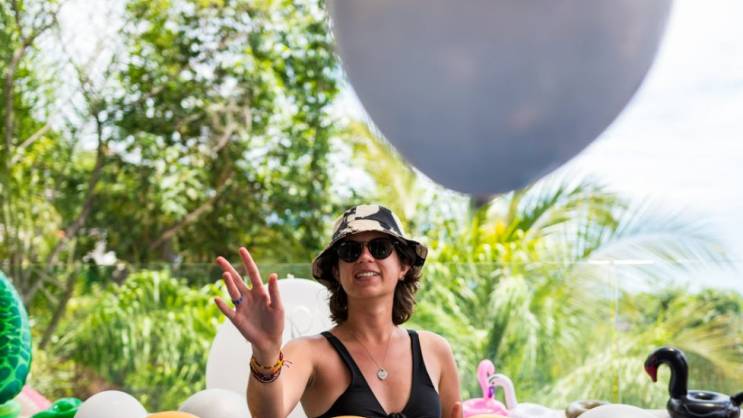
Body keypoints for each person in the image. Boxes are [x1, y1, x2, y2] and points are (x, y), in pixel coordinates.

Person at [215, 204, 463, 418]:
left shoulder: (435, 350)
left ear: (404, 265)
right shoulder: (309, 353)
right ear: (336, 271)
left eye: (380, 247)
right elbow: (269, 415)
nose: (365, 257)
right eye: (350, 251)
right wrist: (265, 352)